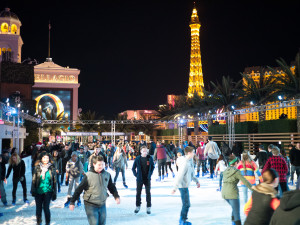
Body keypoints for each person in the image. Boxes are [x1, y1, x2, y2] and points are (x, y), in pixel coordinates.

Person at [69, 155, 120, 225]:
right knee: (94, 223)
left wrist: (116, 196)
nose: (101, 166)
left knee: (102, 223)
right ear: (94, 164)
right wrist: (72, 201)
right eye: (99, 164)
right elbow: (79, 189)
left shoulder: (107, 175)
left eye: (102, 164)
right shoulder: (88, 176)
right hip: (90, 204)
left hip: (102, 204)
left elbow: (112, 187)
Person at [171, 146, 200, 225]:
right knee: (186, 204)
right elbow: (179, 175)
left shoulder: (189, 161)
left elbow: (192, 173)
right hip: (182, 185)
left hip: (185, 185)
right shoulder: (185, 163)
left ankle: (182, 219)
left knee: (186, 204)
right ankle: (182, 220)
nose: (194, 154)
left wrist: (196, 181)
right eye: (193, 152)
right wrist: (175, 188)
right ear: (189, 153)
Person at [222, 155, 252, 225]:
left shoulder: (226, 170)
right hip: (232, 193)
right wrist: (252, 188)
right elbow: (244, 181)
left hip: (224, 193)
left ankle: (233, 223)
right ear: (235, 163)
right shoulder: (236, 171)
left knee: (234, 208)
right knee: (236, 213)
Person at [31, 152, 57, 225]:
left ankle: (47, 222)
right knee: (38, 209)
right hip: (38, 191)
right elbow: (34, 180)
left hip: (48, 191)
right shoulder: (37, 168)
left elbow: (54, 181)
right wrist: (33, 190)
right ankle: (39, 222)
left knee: (46, 208)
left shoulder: (52, 168)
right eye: (44, 158)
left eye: (47, 158)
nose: (46, 159)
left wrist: (55, 192)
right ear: (41, 159)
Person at [132, 146, 155, 214]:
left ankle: (148, 207)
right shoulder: (137, 159)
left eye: (146, 151)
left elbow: (152, 167)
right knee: (138, 193)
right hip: (140, 179)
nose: (145, 152)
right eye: (143, 151)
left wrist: (150, 174)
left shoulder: (149, 158)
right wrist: (136, 175)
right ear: (141, 151)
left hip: (147, 179)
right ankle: (138, 206)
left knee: (148, 193)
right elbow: (133, 168)